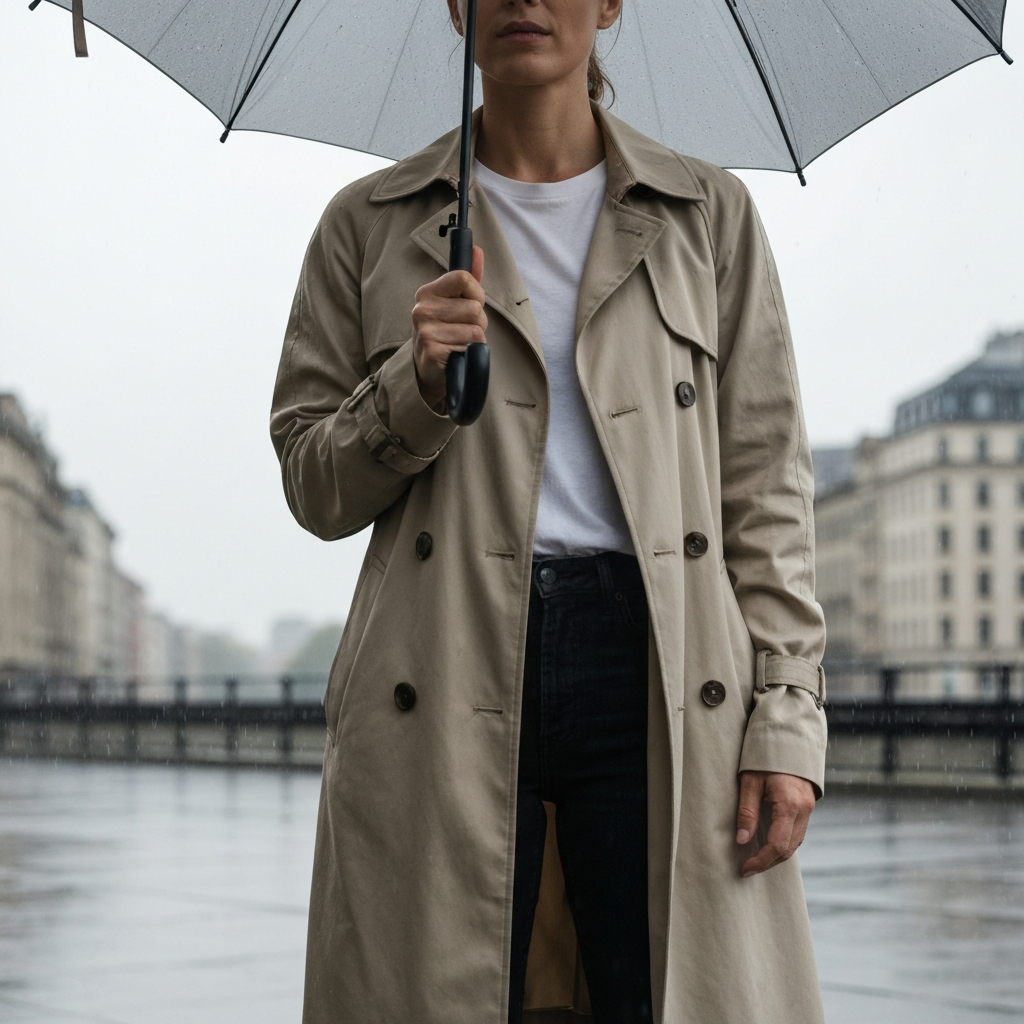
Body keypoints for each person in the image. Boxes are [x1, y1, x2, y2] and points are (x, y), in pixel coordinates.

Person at [270, 0, 828, 1020]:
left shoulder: (707, 216)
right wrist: (413, 382)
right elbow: (312, 482)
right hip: (440, 661)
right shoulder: (369, 223)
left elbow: (765, 489)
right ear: (453, 6)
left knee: (656, 989)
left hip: (661, 659)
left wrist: (786, 718)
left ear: (612, 2)